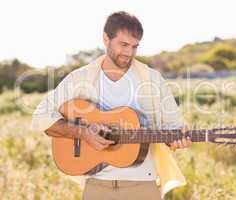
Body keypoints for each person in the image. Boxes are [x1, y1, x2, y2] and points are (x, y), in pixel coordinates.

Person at [31, 11, 192, 200]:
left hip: (143, 185)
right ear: (106, 39)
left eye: (134, 46)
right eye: (123, 44)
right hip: (97, 185)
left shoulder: (153, 80)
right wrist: (83, 133)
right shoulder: (79, 78)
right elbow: (40, 117)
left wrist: (177, 138)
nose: (129, 53)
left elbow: (174, 126)